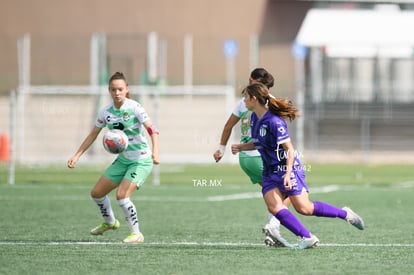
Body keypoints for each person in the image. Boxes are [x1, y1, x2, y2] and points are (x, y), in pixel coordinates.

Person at [231, 82, 364, 250]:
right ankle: (307, 237)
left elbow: (290, 151)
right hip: (269, 171)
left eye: (245, 97)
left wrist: (287, 175)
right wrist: (241, 147)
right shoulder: (253, 118)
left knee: (304, 208)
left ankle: (345, 214)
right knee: (273, 206)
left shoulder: (274, 121)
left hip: (287, 168)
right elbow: (259, 143)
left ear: (254, 98)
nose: (244, 101)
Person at [67, 72, 160, 244]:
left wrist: (156, 152)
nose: (117, 93)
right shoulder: (105, 112)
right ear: (109, 90)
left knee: (122, 195)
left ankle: (136, 233)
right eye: (113, 90)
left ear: (126, 90)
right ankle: (110, 222)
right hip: (123, 160)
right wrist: (77, 155)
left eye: (120, 89)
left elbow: (152, 129)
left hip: (140, 160)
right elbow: (93, 135)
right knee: (96, 193)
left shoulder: (135, 107)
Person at [213, 68, 292, 247]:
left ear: (251, 80)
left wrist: (221, 149)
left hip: (245, 159)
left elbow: (228, 127)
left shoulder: (244, 102)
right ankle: (272, 226)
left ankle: (273, 230)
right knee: (290, 192)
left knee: (275, 195)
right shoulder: (270, 102)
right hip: (261, 156)